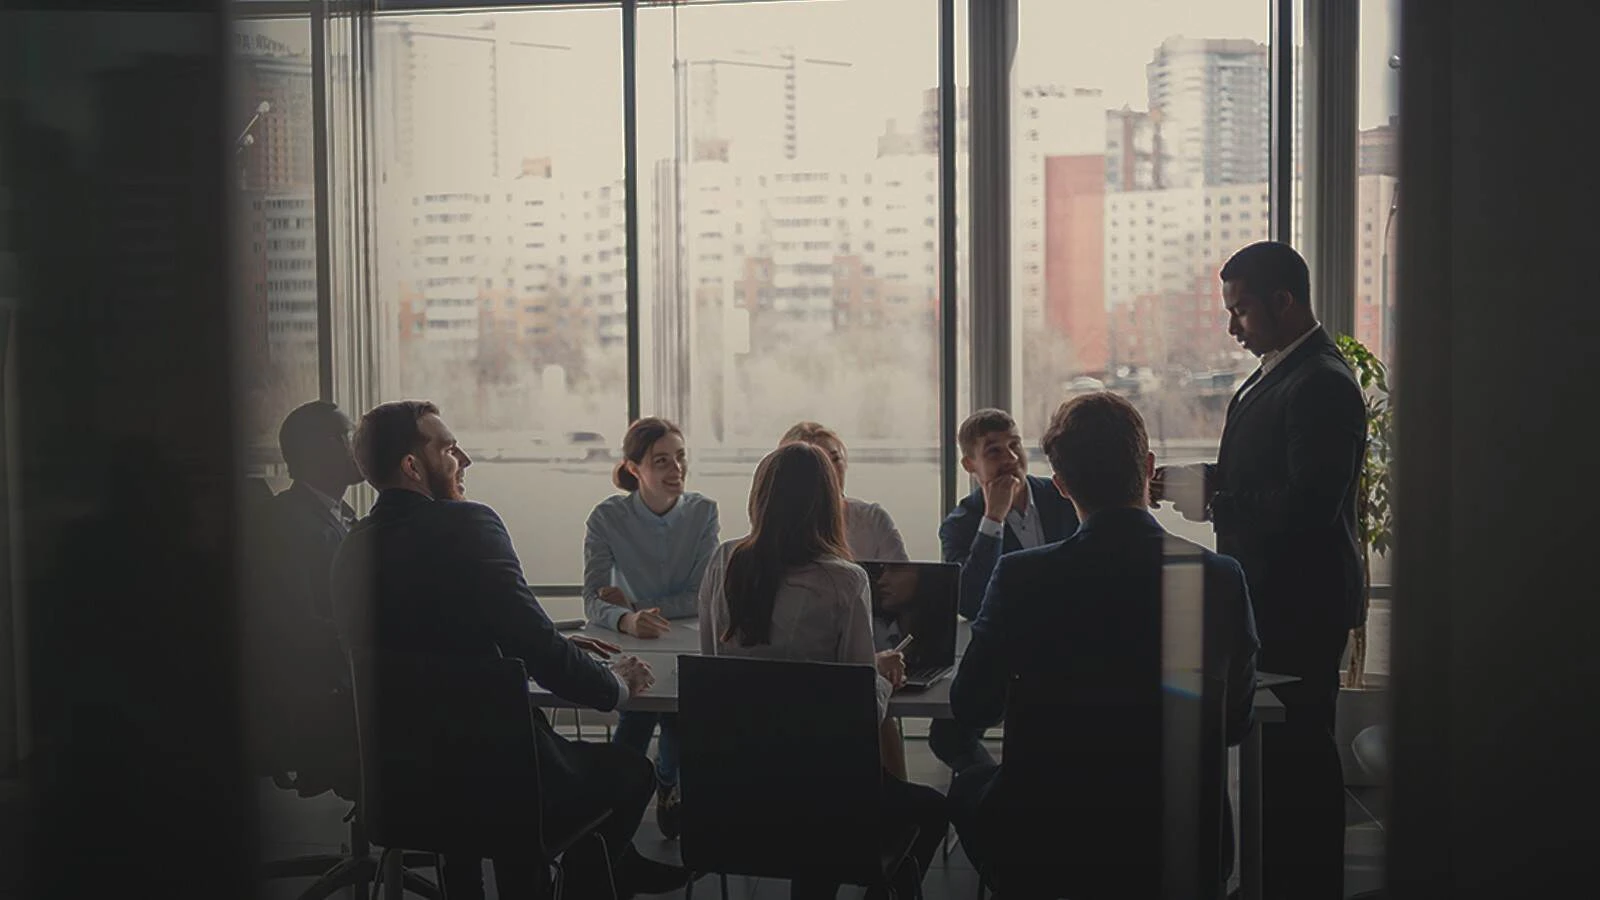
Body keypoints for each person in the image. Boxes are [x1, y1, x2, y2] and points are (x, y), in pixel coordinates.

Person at [330, 401, 688, 900]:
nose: (465, 460)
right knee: (632, 772)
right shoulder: (468, 526)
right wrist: (616, 684)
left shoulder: (352, 547)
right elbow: (539, 652)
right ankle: (589, 881)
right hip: (503, 788)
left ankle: (590, 873)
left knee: (487, 780)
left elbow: (435, 638)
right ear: (412, 467)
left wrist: (543, 642)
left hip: (405, 790)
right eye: (449, 449)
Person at [948, 392, 1259, 890]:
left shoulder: (1022, 579)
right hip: (1178, 843)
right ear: (1148, 465)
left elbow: (970, 706)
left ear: (1063, 484)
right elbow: (1235, 723)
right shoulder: (1220, 578)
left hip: (1052, 843)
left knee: (970, 788)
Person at [1153, 241, 1365, 900]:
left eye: (1240, 311)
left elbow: (1312, 503)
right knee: (1281, 760)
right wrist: (1193, 482)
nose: (1231, 327)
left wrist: (1217, 499)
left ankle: (1306, 886)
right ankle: (1279, 880)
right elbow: (1268, 475)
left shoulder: (1323, 382)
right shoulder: (1285, 372)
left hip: (1300, 606)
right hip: (1276, 597)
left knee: (1300, 755)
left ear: (1285, 301)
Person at [697, 442, 949, 900]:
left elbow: (714, 671)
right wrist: (878, 672)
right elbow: (857, 715)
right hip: (824, 797)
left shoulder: (723, 562)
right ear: (827, 505)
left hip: (739, 791)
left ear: (759, 497)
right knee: (928, 808)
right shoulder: (843, 579)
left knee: (818, 793)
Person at [582, 416, 719, 839]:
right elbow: (593, 598)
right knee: (640, 712)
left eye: (680, 457)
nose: (675, 469)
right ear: (634, 468)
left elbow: (702, 593)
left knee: (679, 709)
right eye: (661, 461)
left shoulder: (703, 512)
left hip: (688, 640)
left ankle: (656, 786)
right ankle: (623, 805)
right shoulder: (607, 517)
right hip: (630, 640)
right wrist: (624, 619)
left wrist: (636, 606)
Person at [932, 408, 1079, 773]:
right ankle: (994, 794)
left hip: (1070, 647)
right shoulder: (961, 523)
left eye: (1015, 446)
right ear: (970, 464)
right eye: (994, 451)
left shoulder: (1063, 497)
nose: (1011, 458)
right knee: (948, 734)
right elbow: (968, 602)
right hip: (1006, 653)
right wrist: (992, 520)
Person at [248, 400, 365, 799]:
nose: (358, 446)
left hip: (345, 686)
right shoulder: (284, 524)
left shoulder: (342, 517)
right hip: (322, 701)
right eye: (349, 437)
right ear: (320, 449)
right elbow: (297, 626)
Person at [780, 421, 909, 562]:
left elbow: (903, 577)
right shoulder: (777, 526)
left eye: (835, 459)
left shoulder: (872, 520)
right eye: (818, 463)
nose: (830, 471)